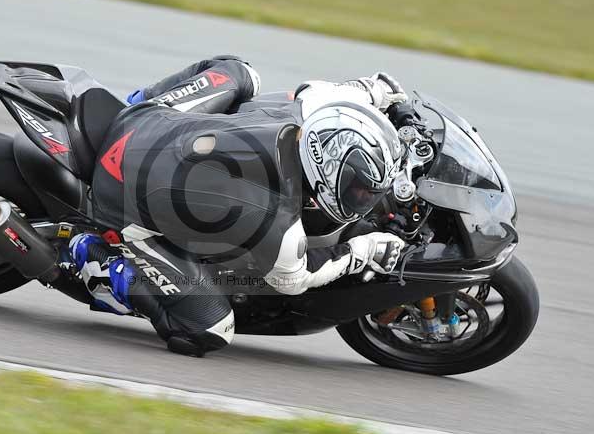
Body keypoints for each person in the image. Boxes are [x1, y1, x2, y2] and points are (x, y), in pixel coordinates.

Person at [69, 55, 406, 357]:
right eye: (359, 190)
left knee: (240, 71)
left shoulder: (310, 111)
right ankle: (100, 262)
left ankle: (136, 100)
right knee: (208, 329)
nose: (364, 199)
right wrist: (363, 251)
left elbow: (352, 91)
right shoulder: (276, 214)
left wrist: (378, 90)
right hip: (118, 194)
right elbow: (295, 278)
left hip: (144, 119)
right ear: (324, 169)